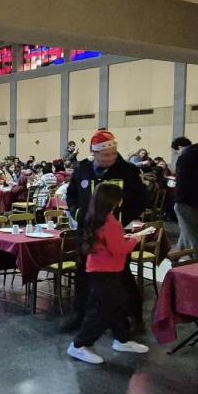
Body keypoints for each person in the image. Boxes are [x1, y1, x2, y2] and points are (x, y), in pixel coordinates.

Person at [64, 130, 148, 331]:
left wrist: (121, 219)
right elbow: (72, 195)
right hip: (87, 233)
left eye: (113, 153)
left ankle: (132, 317)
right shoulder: (83, 169)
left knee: (121, 276)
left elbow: (141, 199)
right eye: (105, 155)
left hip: (114, 232)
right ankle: (80, 315)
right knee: (83, 274)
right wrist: (78, 214)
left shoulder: (128, 171)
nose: (110, 158)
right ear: (94, 153)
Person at [67, 183, 154, 365]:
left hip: (104, 269)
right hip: (104, 271)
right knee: (103, 311)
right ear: (115, 201)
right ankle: (79, 345)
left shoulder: (97, 218)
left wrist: (125, 239)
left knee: (118, 306)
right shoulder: (110, 223)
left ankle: (122, 339)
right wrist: (135, 239)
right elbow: (119, 249)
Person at [171, 136, 198, 261]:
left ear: (179, 147)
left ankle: (197, 258)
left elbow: (181, 180)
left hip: (185, 199)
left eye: (176, 151)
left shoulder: (185, 157)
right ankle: (177, 254)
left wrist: (178, 197)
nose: (177, 153)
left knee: (191, 231)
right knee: (187, 227)